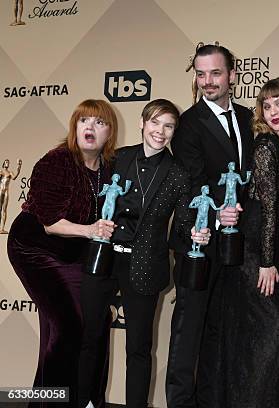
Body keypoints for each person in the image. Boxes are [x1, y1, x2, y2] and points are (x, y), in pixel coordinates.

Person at [78, 99, 209, 408]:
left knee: (138, 349)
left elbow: (182, 226)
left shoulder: (179, 173)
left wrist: (193, 233)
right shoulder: (115, 159)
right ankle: (85, 402)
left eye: (168, 126)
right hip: (103, 258)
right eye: (155, 123)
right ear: (142, 123)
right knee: (90, 340)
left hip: (146, 265)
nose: (160, 132)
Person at [7, 99, 117, 407]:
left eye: (99, 122)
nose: (90, 128)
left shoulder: (109, 169)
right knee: (69, 327)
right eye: (84, 121)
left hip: (73, 253)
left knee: (88, 324)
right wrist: (91, 230)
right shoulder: (57, 161)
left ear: (110, 131)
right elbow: (50, 223)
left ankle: (79, 400)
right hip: (34, 248)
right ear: (74, 127)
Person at [166, 42, 254, 408]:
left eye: (215, 73)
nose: (207, 81)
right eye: (200, 74)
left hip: (237, 245)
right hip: (198, 241)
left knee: (220, 330)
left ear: (232, 75)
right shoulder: (187, 124)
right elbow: (191, 181)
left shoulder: (250, 118)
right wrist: (219, 212)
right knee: (188, 331)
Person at [215, 76, 279, 407]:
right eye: (266, 106)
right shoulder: (266, 146)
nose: (273, 111)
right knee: (269, 336)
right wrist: (267, 262)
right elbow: (268, 208)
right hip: (258, 249)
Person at [0, 158, 22, 233]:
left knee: (4, 210)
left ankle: (2, 228)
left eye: (8, 162)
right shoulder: (1, 172)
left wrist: (19, 167)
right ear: (3, 163)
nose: (7, 163)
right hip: (1, 191)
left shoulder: (10, 173)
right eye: (6, 162)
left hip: (6, 192)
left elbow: (15, 177)